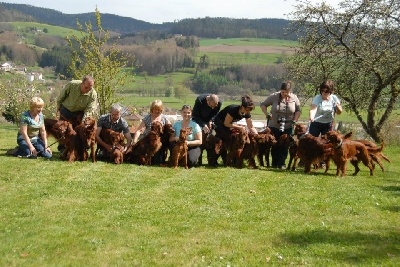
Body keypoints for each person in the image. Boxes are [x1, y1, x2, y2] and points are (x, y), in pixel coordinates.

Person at [260, 81, 301, 169]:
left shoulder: (294, 98)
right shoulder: (274, 96)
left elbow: (298, 110)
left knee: (284, 146)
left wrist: (295, 120)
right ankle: (274, 163)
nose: (284, 94)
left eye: (286, 93)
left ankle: (282, 163)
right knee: (275, 145)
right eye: (282, 92)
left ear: (290, 91)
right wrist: (266, 113)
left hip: (288, 126)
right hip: (274, 125)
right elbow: (263, 104)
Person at [132, 100, 171, 165]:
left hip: (159, 143)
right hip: (147, 143)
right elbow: (139, 130)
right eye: (155, 109)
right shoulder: (147, 118)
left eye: (158, 109)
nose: (157, 111)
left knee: (157, 162)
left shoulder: (164, 118)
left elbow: (170, 128)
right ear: (152, 109)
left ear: (161, 110)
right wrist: (134, 141)